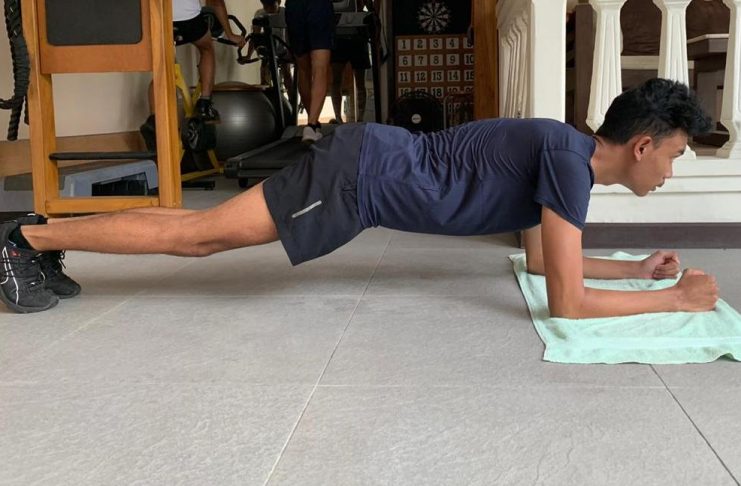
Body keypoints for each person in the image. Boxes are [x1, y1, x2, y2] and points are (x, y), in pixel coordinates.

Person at [0, 79, 720, 317]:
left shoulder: (564, 156)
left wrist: (636, 271)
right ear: (642, 145)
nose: (670, 172)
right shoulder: (568, 163)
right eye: (674, 155)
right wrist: (675, 300)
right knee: (202, 236)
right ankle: (27, 239)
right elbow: (566, 302)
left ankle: (41, 238)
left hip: (367, 165)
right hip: (361, 177)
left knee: (203, 229)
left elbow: (542, 266)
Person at [172, 0, 246, 122]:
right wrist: (230, 34)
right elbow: (217, 3)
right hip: (189, 20)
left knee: (161, 64)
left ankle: (154, 119)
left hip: (163, 21)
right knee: (206, 49)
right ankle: (204, 103)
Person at [284, 0, 335, 143]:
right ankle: (311, 125)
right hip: (319, 5)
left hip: (295, 6)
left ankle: (312, 125)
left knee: (303, 69)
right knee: (320, 68)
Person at [329, 0, 370, 123]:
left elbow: (369, 6)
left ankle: (361, 118)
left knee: (360, 82)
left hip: (356, 37)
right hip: (338, 38)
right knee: (336, 80)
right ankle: (338, 116)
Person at [245, 0, 294, 94]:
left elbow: (290, 35)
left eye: (271, 6)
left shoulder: (286, 14)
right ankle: (266, 94)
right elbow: (255, 37)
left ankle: (292, 97)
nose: (268, 9)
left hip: (284, 48)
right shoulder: (260, 14)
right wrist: (248, 56)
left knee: (286, 72)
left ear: (279, 2)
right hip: (268, 48)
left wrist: (290, 53)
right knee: (264, 69)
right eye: (265, 6)